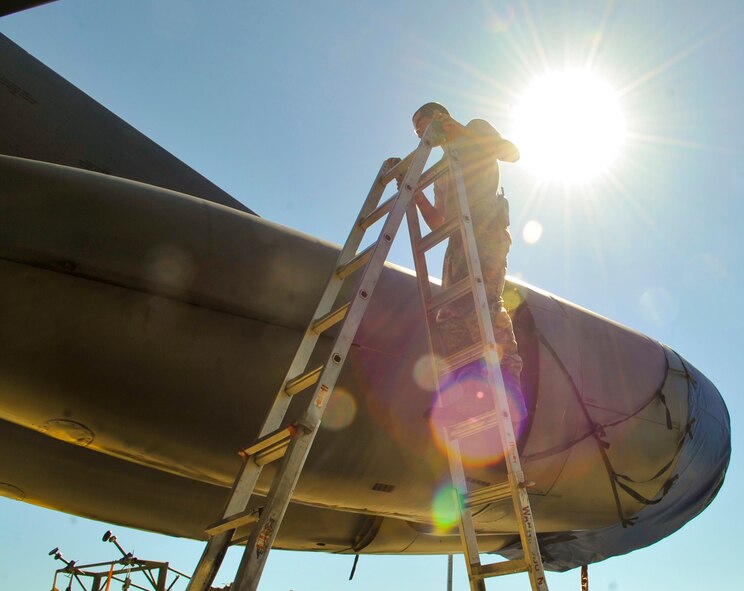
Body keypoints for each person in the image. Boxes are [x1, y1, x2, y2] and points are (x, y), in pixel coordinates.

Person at [392, 102, 525, 424]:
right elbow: (439, 221)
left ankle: (509, 384)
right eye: (416, 131)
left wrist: (459, 131)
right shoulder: (442, 171)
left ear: (440, 117)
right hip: (457, 239)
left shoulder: (475, 129)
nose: (421, 134)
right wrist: (415, 193)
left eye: (422, 125)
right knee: (449, 313)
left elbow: (511, 153)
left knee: (486, 302)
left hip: (486, 229)